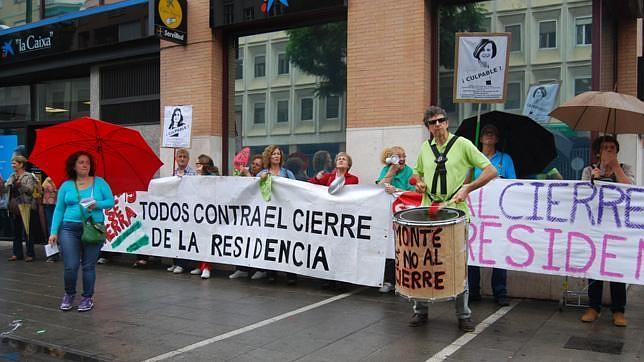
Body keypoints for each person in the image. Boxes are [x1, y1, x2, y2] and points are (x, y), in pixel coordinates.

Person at [410, 106, 497, 332]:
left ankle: (463, 315)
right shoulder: (424, 148)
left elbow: (491, 171)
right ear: (427, 127)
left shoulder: (463, 144)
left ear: (447, 122)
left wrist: (468, 187)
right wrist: (418, 181)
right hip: (428, 210)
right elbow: (416, 172)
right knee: (423, 262)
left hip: (455, 212)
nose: (437, 124)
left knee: (457, 264)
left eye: (441, 120)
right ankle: (420, 311)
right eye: (432, 122)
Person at [48, 151, 115, 312]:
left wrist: (96, 204)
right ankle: (69, 294)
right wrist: (53, 231)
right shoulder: (66, 185)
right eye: (81, 162)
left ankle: (87, 297)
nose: (85, 165)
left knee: (88, 266)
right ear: (74, 166)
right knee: (70, 266)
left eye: (87, 163)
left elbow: (110, 201)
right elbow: (59, 209)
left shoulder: (99, 182)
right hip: (69, 228)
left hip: (93, 227)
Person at [580, 135, 635, 327]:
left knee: (616, 268)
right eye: (605, 147)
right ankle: (593, 307)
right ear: (598, 152)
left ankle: (618, 310)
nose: (609, 150)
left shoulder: (625, 169)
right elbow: (583, 195)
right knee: (595, 267)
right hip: (596, 227)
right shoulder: (589, 170)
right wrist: (595, 180)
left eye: (612, 147)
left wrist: (616, 167)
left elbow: (631, 189)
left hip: (618, 228)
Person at [467, 124, 516, 306]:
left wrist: (500, 181)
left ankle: (500, 291)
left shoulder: (506, 159)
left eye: (493, 133)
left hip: (497, 213)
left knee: (499, 250)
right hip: (476, 213)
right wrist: (470, 172)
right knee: (473, 250)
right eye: (486, 133)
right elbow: (465, 184)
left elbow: (513, 184)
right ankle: (472, 290)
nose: (489, 136)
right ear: (480, 139)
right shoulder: (472, 159)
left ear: (496, 139)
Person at [375, 146, 415, 293]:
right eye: (399, 156)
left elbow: (412, 192)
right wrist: (391, 172)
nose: (403, 158)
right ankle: (389, 280)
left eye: (404, 155)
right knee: (389, 247)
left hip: (403, 214)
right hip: (388, 215)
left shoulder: (409, 171)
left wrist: (396, 190)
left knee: (403, 247)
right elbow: (379, 186)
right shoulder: (387, 170)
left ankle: (403, 281)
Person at [258, 145, 297, 284]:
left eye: (278, 154)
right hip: (269, 214)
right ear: (269, 157)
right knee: (271, 243)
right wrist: (260, 179)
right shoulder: (262, 173)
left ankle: (291, 274)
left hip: (285, 213)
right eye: (273, 154)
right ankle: (271, 273)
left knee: (287, 243)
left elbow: (296, 190)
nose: (276, 156)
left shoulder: (287, 173)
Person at [230, 154, 265, 280]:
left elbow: (254, 187)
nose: (254, 166)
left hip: (258, 215)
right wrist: (240, 173)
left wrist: (247, 174)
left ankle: (261, 269)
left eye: (257, 165)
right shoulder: (245, 172)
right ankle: (241, 269)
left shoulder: (263, 175)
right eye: (253, 164)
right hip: (244, 213)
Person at [167, 148, 197, 273]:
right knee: (175, 235)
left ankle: (182, 264)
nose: (182, 159)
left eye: (185, 157)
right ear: (176, 158)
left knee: (184, 237)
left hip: (187, 210)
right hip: (175, 210)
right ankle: (175, 262)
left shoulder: (192, 173)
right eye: (180, 156)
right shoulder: (174, 172)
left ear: (188, 159)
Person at [189, 154, 219, 279]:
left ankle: (207, 267)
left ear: (204, 166)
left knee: (207, 240)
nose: (196, 167)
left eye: (198, 164)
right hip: (198, 212)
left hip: (210, 213)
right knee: (199, 239)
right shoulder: (196, 177)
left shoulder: (213, 177)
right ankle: (200, 265)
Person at [5, 155, 38, 262]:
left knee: (28, 231)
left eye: (14, 163)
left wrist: (21, 186)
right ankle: (16, 253)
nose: (12, 165)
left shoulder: (28, 176)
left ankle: (30, 254)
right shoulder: (12, 176)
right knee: (16, 231)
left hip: (26, 206)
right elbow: (6, 188)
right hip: (14, 208)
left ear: (21, 164)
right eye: (12, 163)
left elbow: (30, 190)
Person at [42, 177, 60, 262]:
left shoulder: (60, 179)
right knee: (50, 228)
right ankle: (53, 254)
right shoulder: (47, 178)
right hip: (47, 204)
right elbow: (42, 189)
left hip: (56, 204)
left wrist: (52, 183)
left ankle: (55, 255)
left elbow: (58, 190)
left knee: (55, 228)